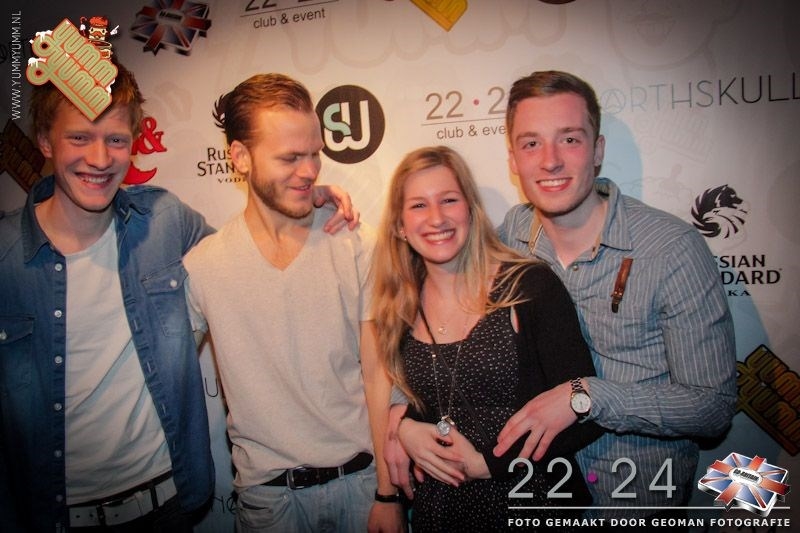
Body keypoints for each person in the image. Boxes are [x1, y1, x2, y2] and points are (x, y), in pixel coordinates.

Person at [0, 57, 357, 531]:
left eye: (116, 139)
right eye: (80, 138)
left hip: (167, 506)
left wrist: (302, 191)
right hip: (52, 517)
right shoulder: (5, 256)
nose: (100, 158)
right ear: (45, 141)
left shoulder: (165, 221)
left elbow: (246, 250)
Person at [490, 70, 737, 519]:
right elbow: (437, 298)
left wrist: (588, 396)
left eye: (569, 139)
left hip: (635, 503)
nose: (549, 161)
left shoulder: (670, 249)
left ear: (598, 150)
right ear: (513, 159)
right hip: (538, 497)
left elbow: (711, 407)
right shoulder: (511, 235)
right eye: (531, 144)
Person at [183, 73, 403, 533]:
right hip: (268, 505)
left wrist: (387, 492)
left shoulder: (353, 241)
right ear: (240, 157)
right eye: (290, 157)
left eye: (314, 154)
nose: (310, 171)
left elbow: (377, 373)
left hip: (361, 488)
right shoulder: (204, 267)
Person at [371, 146, 603, 531]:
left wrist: (489, 464)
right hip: (441, 513)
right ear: (399, 225)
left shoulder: (528, 286)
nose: (436, 218)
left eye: (449, 200)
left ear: (471, 209)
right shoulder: (401, 305)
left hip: (531, 504)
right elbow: (433, 399)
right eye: (418, 206)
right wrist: (406, 427)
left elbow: (586, 404)